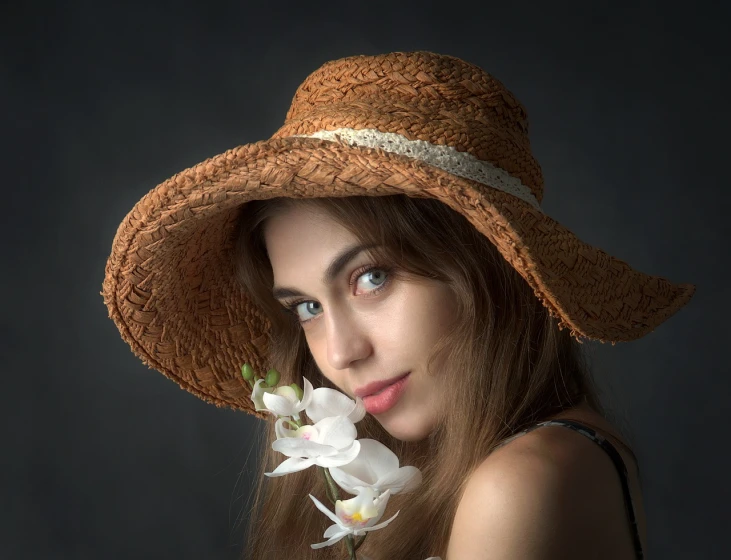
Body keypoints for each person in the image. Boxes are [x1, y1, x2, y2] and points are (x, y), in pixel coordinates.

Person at [102, 51, 695, 559]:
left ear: (488, 264)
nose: (341, 353)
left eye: (371, 277)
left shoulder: (519, 482)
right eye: (306, 307)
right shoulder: (527, 458)